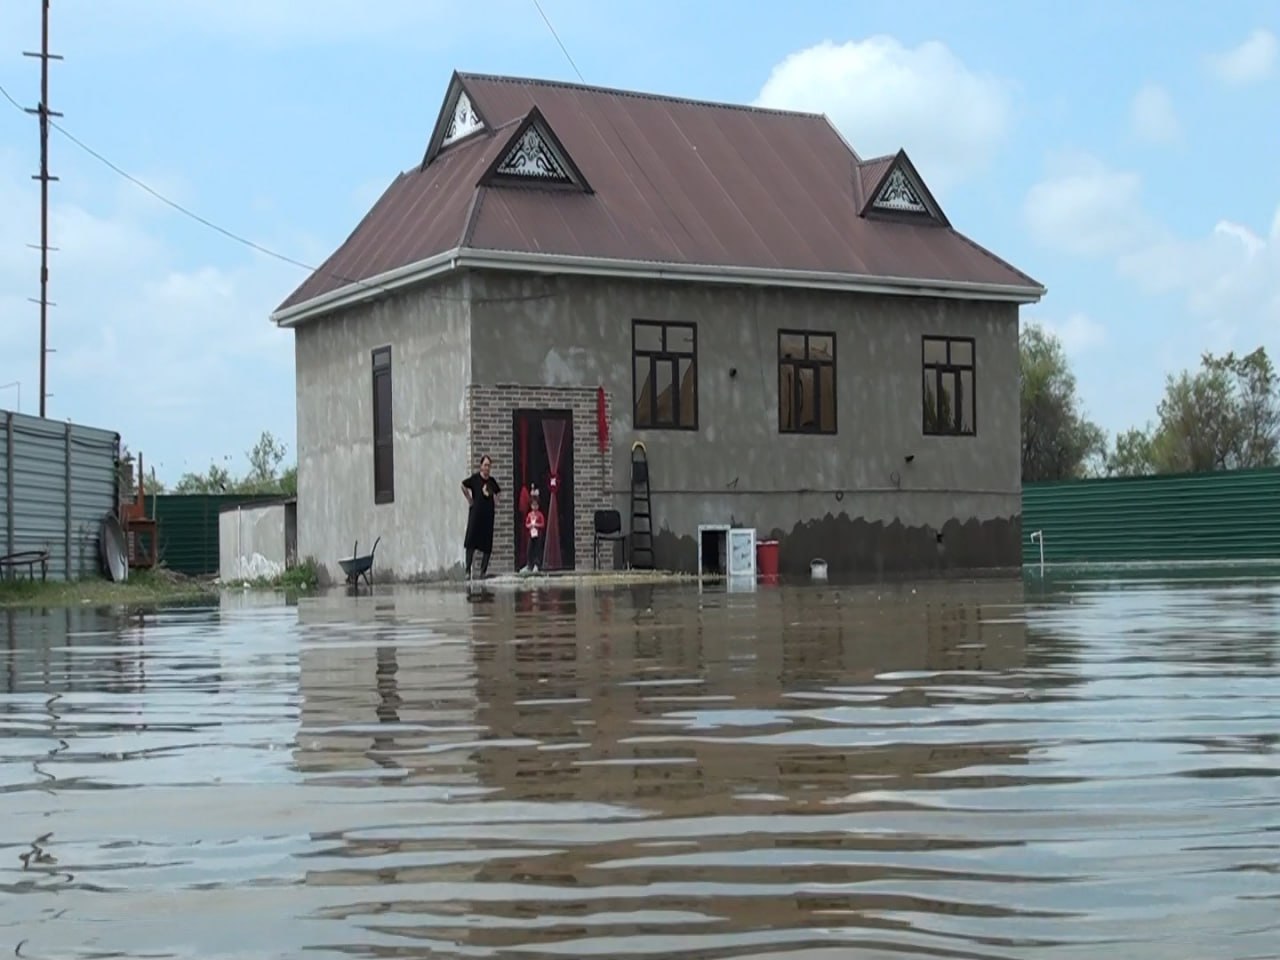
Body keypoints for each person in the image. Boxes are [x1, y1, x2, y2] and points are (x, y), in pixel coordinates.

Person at [461, 454, 501, 579]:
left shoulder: (492, 481)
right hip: (476, 515)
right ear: (481, 466)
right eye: (485, 465)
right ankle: (468, 571)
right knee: (471, 542)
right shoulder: (475, 479)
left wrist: (496, 502)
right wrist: (469, 499)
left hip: (488, 517)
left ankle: (482, 572)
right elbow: (463, 485)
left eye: (489, 466)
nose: (487, 468)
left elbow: (498, 492)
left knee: (487, 545)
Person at [523, 486, 546, 574]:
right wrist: (530, 525)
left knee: (537, 549)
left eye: (536, 505)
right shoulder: (529, 515)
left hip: (538, 534)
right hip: (531, 534)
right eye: (533, 505)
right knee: (529, 549)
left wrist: (536, 525)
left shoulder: (540, 515)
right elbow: (526, 524)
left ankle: (537, 564)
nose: (534, 507)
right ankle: (529, 565)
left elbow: (543, 524)